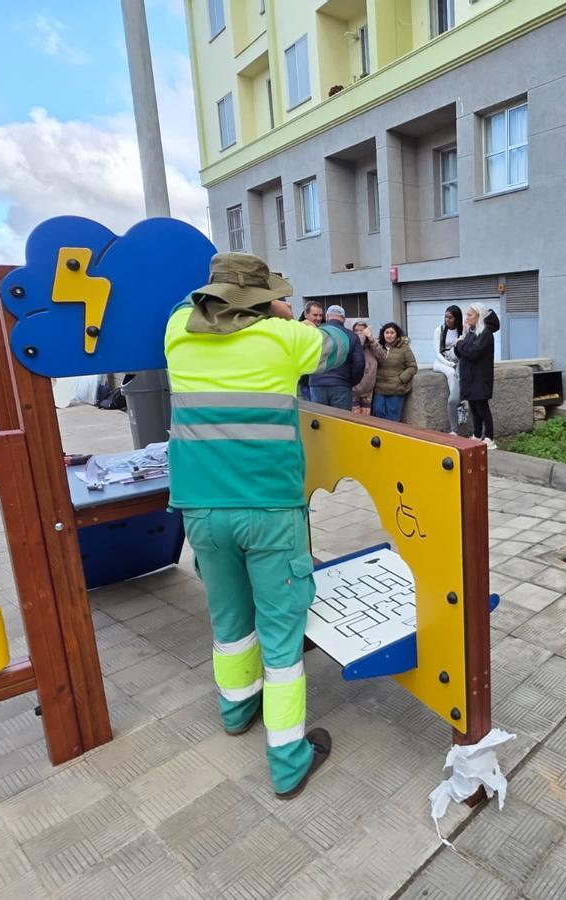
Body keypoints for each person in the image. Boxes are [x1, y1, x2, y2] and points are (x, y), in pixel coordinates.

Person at [164, 253, 352, 800]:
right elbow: (345, 347)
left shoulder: (177, 331)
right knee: (280, 631)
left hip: (201, 507)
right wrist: (293, 316)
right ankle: (288, 758)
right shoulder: (284, 338)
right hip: (269, 510)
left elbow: (186, 304)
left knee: (228, 620)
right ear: (264, 299)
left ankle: (236, 709)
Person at [453, 303, 499, 448]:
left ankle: (490, 437)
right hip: (469, 377)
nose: (466, 318)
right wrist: (461, 340)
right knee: (473, 407)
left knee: (482, 407)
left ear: (479, 316)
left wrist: (459, 344)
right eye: (467, 315)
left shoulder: (485, 333)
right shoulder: (471, 332)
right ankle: (477, 434)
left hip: (480, 377)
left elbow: (473, 352)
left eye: (470, 315)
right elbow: (461, 353)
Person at [307, 305, 365, 411]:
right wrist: (351, 382)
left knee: (320, 422)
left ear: (327, 316)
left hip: (317, 384)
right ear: (343, 319)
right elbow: (359, 363)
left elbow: (306, 357)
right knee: (341, 422)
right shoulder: (352, 336)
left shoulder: (315, 333)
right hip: (341, 385)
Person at [371, 322, 417, 422]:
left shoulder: (404, 348)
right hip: (379, 388)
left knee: (392, 417)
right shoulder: (378, 348)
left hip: (396, 389)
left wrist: (400, 379)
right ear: (383, 334)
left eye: (392, 332)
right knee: (377, 412)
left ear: (397, 334)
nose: (389, 335)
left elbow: (412, 367)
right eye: (387, 332)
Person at [431, 305, 466, 434]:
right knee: (451, 373)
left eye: (450, 317)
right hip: (441, 362)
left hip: (457, 361)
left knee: (459, 374)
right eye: (446, 317)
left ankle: (459, 402)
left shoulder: (461, 331)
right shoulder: (439, 330)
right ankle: (458, 405)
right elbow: (437, 352)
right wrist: (448, 363)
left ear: (456, 318)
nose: (447, 320)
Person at [351, 321, 384, 416]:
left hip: (368, 390)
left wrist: (371, 339)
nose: (360, 333)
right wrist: (360, 339)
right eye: (356, 331)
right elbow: (356, 350)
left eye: (362, 331)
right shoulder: (352, 344)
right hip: (354, 390)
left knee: (366, 419)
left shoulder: (372, 346)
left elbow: (381, 356)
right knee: (354, 418)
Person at [297, 301, 325, 400]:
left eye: (320, 315)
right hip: (304, 378)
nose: (318, 318)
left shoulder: (324, 329)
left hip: (320, 379)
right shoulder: (297, 329)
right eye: (315, 315)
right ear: (306, 314)